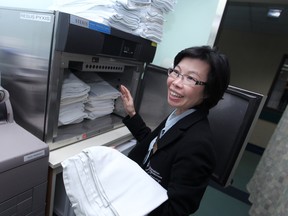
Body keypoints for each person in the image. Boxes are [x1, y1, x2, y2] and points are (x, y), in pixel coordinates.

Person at [120, 46, 230, 216]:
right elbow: (156, 146)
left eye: (191, 78)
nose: (176, 83)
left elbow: (174, 211)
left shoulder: (198, 145)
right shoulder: (179, 115)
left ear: (209, 91)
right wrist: (132, 114)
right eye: (176, 72)